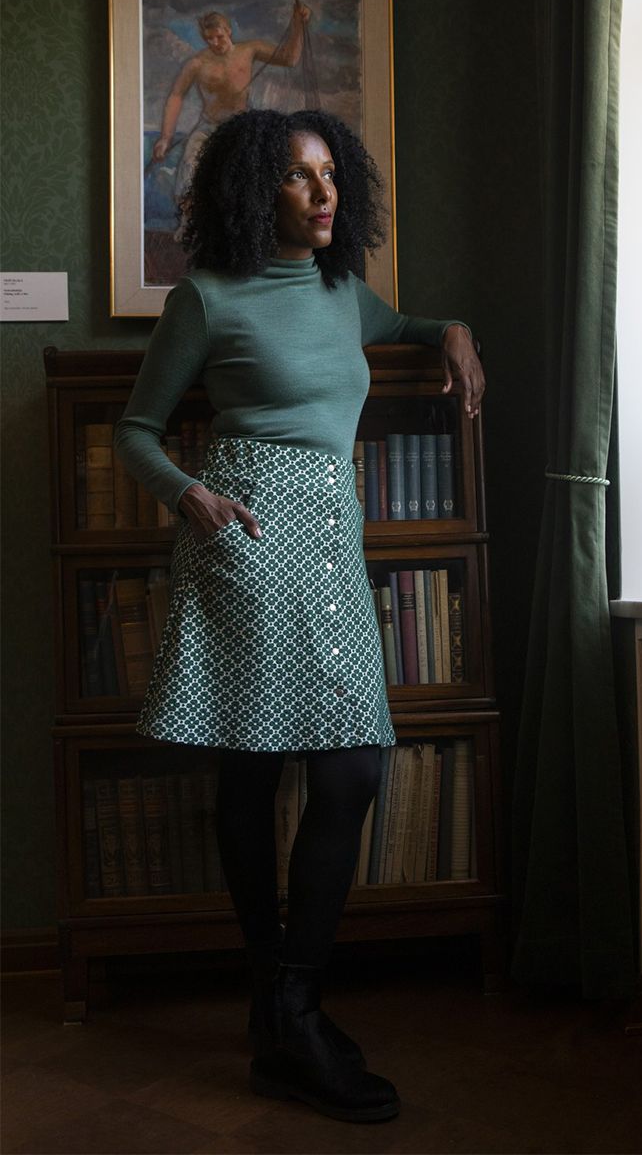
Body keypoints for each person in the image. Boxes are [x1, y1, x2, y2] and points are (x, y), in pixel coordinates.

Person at [114, 107, 484, 1123]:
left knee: (351, 766)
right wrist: (187, 496)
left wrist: (451, 329)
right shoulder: (206, 297)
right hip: (242, 532)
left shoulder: (340, 290)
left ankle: (284, 1009)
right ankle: (287, 1013)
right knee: (253, 765)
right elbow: (136, 430)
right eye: (296, 176)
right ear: (254, 192)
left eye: (329, 174)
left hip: (329, 533)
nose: (323, 193)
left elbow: (407, 327)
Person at [150, 2, 310, 231]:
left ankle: (254, 228)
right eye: (209, 39)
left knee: (252, 174)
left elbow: (289, 58)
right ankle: (188, 225)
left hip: (241, 127)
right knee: (189, 167)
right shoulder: (197, 63)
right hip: (209, 127)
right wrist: (165, 137)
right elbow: (176, 96)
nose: (215, 43)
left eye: (219, 37)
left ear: (228, 31)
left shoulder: (249, 50)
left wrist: (298, 24)